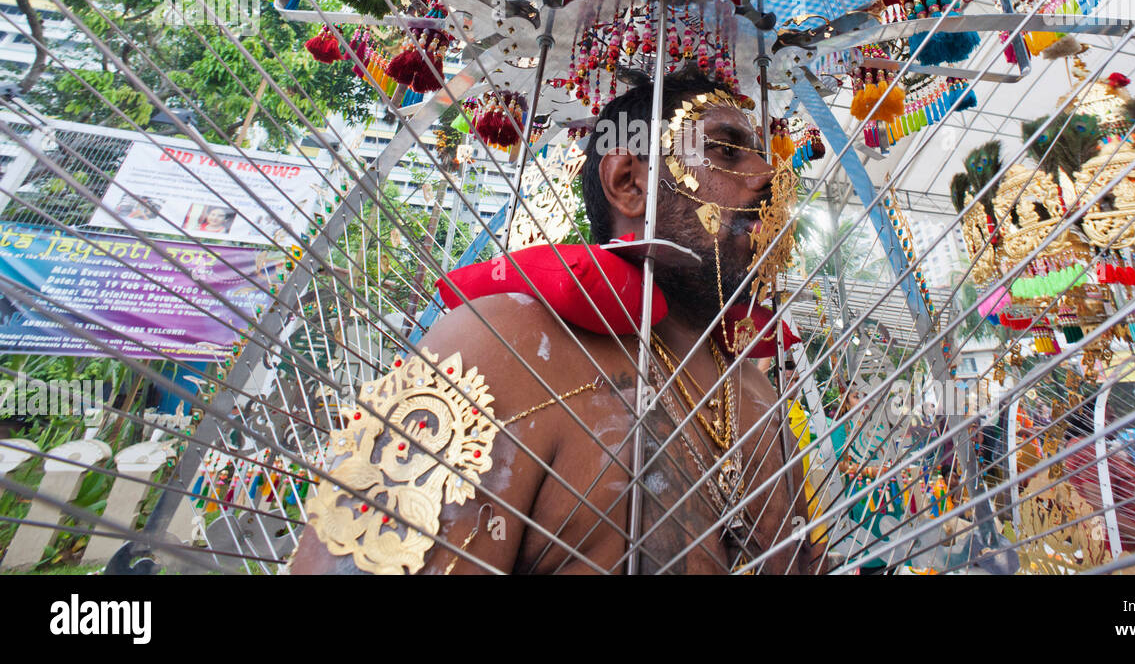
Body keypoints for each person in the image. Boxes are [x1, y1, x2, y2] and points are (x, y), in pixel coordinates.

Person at [291, 67, 817, 574]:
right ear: (629, 182)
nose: (769, 176)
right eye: (726, 151)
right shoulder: (506, 344)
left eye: (762, 155)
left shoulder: (756, 395)